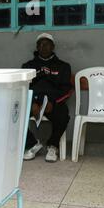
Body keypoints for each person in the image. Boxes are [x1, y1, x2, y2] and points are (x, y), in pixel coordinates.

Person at [22, 33, 72, 163]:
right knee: (14, 114)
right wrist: (31, 102)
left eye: (47, 44)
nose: (44, 47)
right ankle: (32, 144)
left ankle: (52, 146)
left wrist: (53, 102)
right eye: (41, 44)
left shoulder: (63, 66)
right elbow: (22, 88)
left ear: (53, 47)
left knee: (63, 115)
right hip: (33, 102)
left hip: (53, 102)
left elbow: (66, 90)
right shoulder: (27, 66)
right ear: (37, 47)